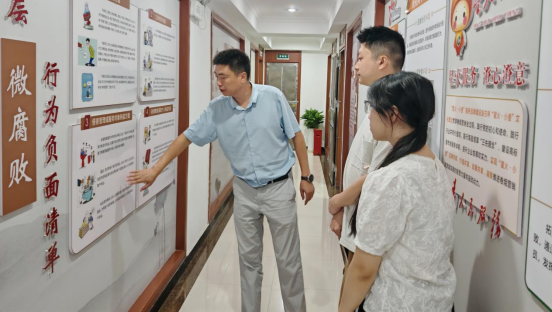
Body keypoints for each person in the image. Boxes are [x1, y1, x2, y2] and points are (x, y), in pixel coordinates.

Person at [127, 49, 315, 312]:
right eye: (216, 76)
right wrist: (156, 169)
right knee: (248, 262)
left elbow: (296, 135)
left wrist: (306, 176)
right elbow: (187, 137)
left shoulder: (273, 97)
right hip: (245, 191)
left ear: (242, 76)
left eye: (223, 77)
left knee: (288, 261)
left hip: (278, 189)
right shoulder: (217, 109)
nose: (218, 82)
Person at [338, 72, 456, 312]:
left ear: (393, 114)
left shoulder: (391, 179)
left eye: (372, 108)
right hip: (439, 303)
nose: (369, 116)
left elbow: (363, 270)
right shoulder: (435, 166)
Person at [327, 26, 404, 302]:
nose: (355, 66)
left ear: (382, 61)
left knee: (355, 292)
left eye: (360, 58)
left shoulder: (394, 111)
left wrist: (337, 202)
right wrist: (343, 209)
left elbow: (378, 174)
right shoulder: (377, 101)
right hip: (356, 216)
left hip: (368, 225)